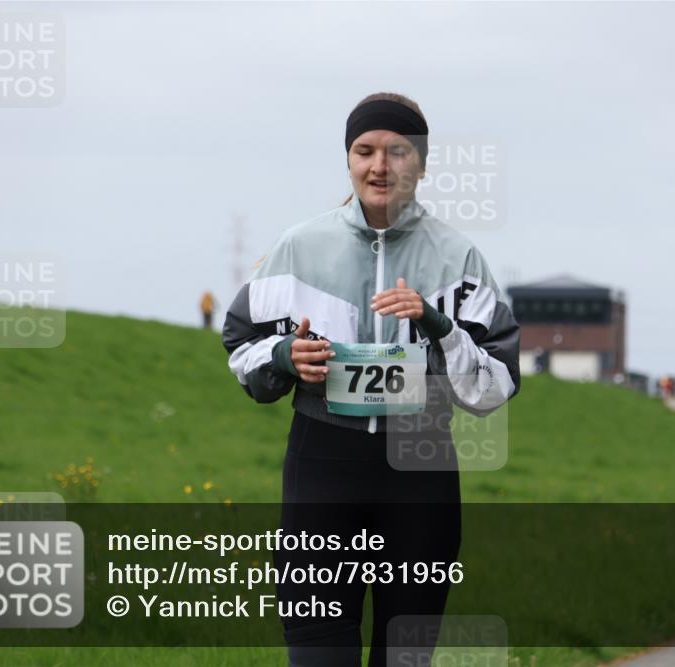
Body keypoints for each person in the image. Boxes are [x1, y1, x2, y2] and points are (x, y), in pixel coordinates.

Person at [222, 92, 521, 666]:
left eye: (397, 151)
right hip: (322, 465)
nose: (379, 166)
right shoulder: (299, 246)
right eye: (365, 151)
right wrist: (287, 356)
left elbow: (495, 384)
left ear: (422, 163)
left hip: (421, 469)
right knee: (316, 653)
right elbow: (241, 347)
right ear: (349, 159)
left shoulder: (459, 257)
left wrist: (439, 327)